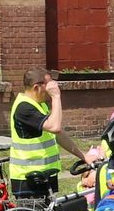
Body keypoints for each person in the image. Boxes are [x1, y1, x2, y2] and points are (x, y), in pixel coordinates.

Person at [9, 68, 89, 197]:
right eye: (48, 85)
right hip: (28, 178)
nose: (50, 89)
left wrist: (83, 156)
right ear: (36, 87)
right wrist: (56, 97)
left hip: (44, 174)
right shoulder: (24, 108)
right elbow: (55, 127)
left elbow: (57, 134)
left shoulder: (40, 105)